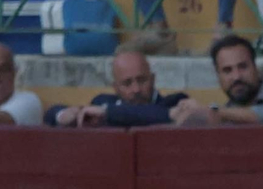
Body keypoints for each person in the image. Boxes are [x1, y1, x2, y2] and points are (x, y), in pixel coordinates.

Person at [170, 34, 263, 126]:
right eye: (227, 70)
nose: (236, 76)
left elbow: (262, 117)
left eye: (243, 67)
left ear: (256, 68)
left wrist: (208, 109)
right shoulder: (223, 113)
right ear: (218, 76)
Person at [45, 48, 188, 129]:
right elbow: (50, 114)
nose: (136, 89)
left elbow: (149, 114)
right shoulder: (103, 101)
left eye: (142, 80)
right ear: (115, 88)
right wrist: (65, 114)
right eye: (127, 83)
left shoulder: (175, 102)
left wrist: (107, 112)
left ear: (153, 79)